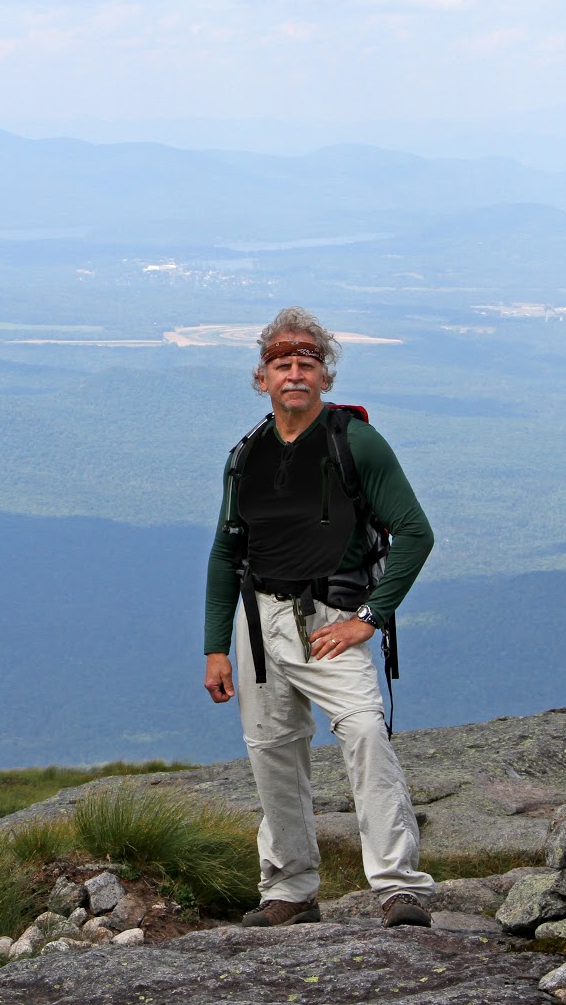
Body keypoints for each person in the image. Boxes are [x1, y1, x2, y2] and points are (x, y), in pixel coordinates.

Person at [203, 305, 436, 929]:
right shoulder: (245, 454)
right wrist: (216, 646)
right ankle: (289, 890)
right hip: (259, 624)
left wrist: (370, 617)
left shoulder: (354, 441)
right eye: (282, 363)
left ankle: (397, 885)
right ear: (262, 378)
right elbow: (228, 549)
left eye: (308, 362)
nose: (295, 372)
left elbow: (415, 532)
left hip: (331, 618)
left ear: (326, 378)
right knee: (272, 749)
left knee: (362, 731)